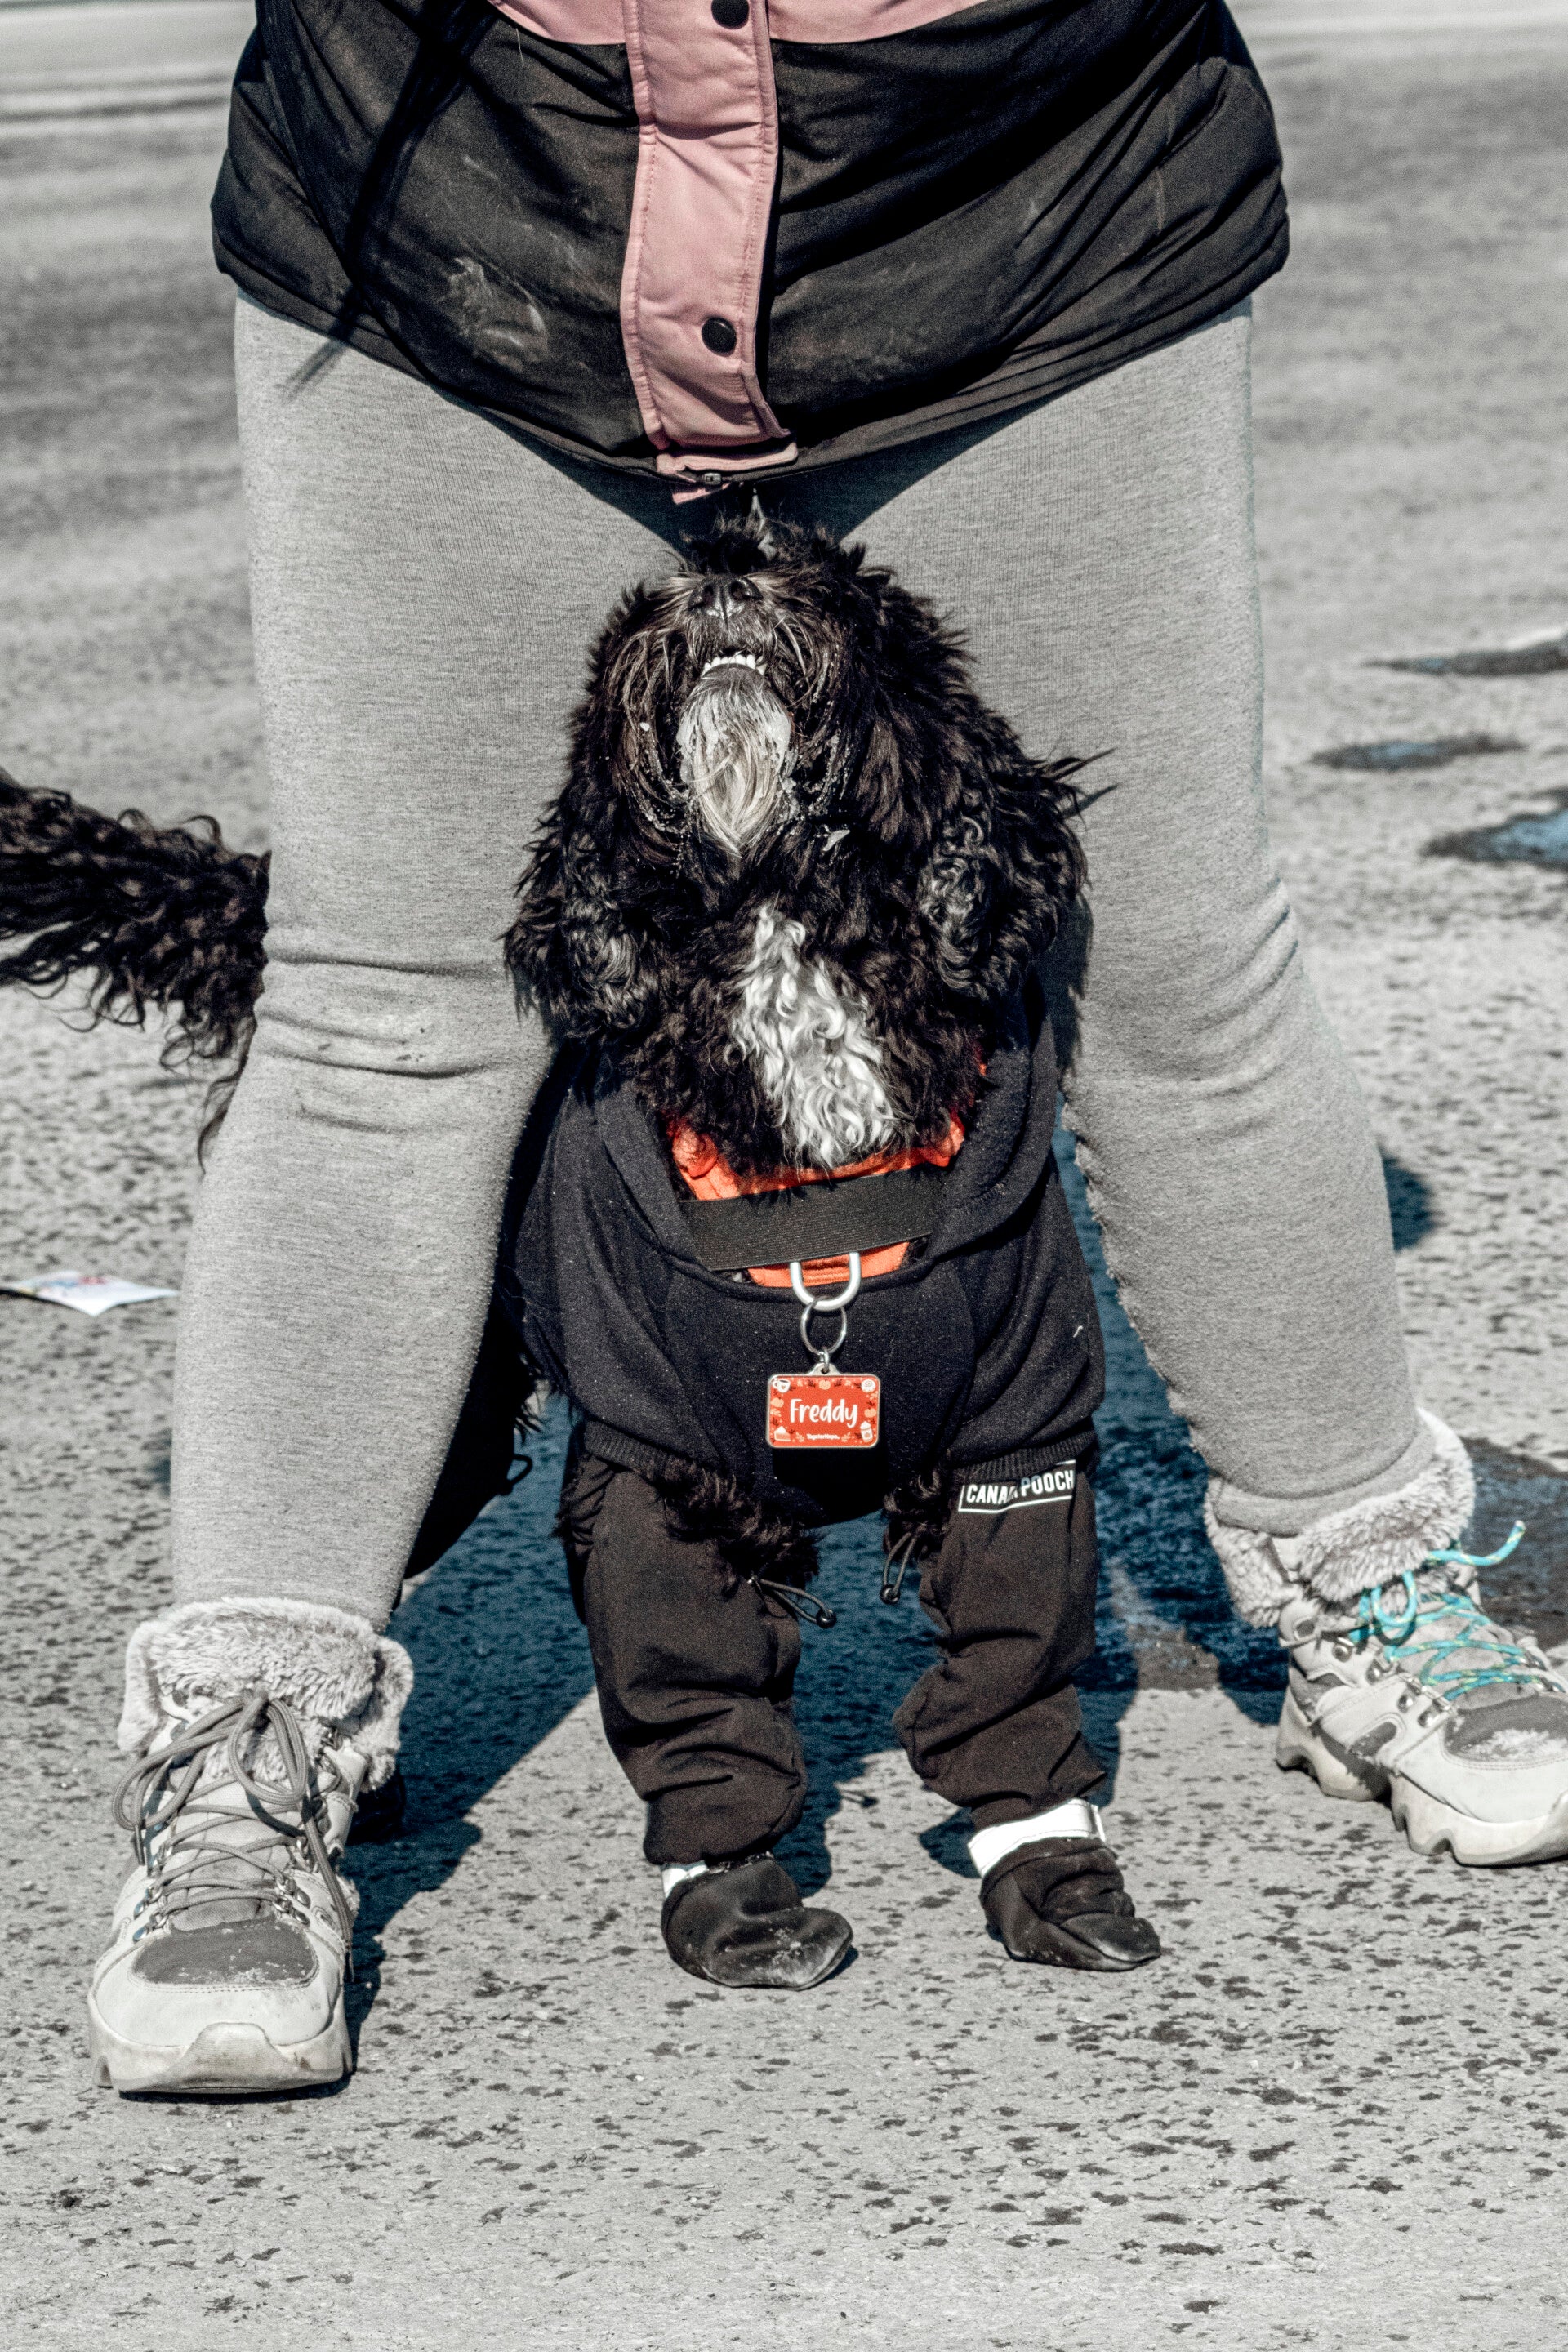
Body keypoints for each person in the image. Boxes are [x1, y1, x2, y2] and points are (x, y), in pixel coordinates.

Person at [87, 0, 1568, 2095]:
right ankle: (242, 1758)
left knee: (1170, 968)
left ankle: (1379, 1588)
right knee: (393, 1011)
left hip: (1029, 197)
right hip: (461, 206)